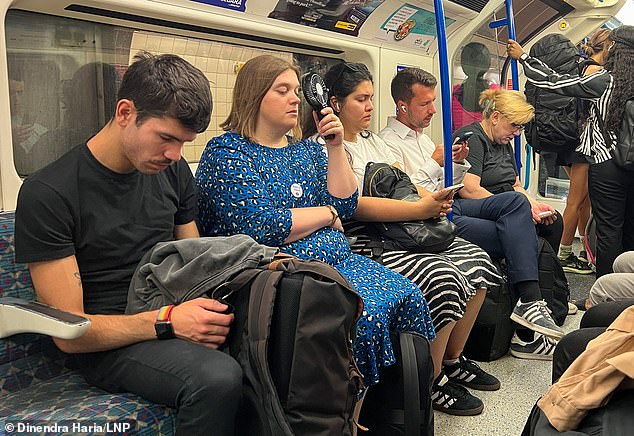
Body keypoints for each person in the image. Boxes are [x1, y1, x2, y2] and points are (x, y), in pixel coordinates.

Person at [14, 52, 242, 435]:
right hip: (105, 341)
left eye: (184, 143)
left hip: (169, 314)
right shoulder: (49, 193)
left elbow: (194, 264)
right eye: (166, 138)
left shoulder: (173, 174)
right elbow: (70, 333)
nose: (174, 154)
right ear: (124, 113)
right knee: (216, 378)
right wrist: (168, 321)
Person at [194, 55, 436, 395]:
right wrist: (325, 215)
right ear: (254, 96)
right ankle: (338, 417)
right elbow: (263, 225)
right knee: (361, 317)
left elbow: (345, 204)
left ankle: (395, 409)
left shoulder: (304, 152)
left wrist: (335, 148)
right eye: (282, 91)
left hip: (336, 262)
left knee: (409, 295)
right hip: (280, 273)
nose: (296, 99)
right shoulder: (228, 152)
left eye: (296, 91)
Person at [308, 61, 506, 416]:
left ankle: (451, 360)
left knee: (478, 263)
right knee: (444, 279)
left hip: (401, 227)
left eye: (370, 98)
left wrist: (432, 200)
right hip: (366, 238)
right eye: (361, 99)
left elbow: (401, 183)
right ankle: (427, 383)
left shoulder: (374, 143)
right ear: (334, 104)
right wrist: (418, 211)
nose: (370, 106)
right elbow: (353, 207)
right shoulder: (324, 148)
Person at [380, 67, 564, 359]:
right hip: (426, 220)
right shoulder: (387, 142)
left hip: (447, 207)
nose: (432, 111)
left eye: (433, 103)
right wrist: (436, 163)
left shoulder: (426, 140)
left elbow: (450, 184)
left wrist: (456, 165)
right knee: (517, 224)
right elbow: (404, 190)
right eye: (424, 104)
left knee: (526, 221)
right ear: (402, 105)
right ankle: (527, 323)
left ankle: (530, 317)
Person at [507, 26, 634, 278]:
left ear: (615, 50)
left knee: (609, 230)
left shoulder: (605, 81)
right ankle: (628, 290)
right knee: (631, 229)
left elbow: (553, 82)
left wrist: (523, 57)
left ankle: (605, 294)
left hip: (605, 163)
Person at [549, 30, 613, 274]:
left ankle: (587, 249)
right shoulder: (595, 72)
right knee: (575, 201)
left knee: (583, 200)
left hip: (573, 141)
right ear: (606, 48)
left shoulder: (582, 67)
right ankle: (563, 253)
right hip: (582, 144)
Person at [452, 42, 497, 132]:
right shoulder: (497, 93)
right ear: (487, 65)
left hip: (460, 144)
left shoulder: (453, 94)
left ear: (463, 65)